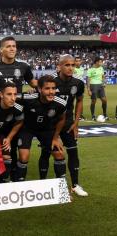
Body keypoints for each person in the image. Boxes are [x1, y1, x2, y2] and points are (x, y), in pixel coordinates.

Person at [0, 36, 37, 183]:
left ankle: (10, 179)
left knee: (12, 146)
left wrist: (51, 83)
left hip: (15, 112)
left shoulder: (24, 66)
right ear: (1, 50)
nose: (12, 48)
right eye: (8, 46)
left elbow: (33, 83)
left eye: (14, 46)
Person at [38, 55, 88, 196]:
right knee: (47, 153)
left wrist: (76, 123)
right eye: (67, 65)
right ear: (59, 66)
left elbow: (79, 101)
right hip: (51, 124)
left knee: (73, 152)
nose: (71, 68)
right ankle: (42, 185)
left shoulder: (78, 83)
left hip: (68, 124)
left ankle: (75, 185)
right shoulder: (50, 81)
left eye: (73, 65)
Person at [16, 75, 67, 181]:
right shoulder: (29, 97)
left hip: (47, 129)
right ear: (39, 89)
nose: (51, 92)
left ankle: (62, 190)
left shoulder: (60, 103)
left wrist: (55, 138)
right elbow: (10, 97)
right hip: (27, 129)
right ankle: (19, 187)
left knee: (60, 154)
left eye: (53, 88)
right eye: (47, 88)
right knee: (24, 157)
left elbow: (62, 119)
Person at [73, 55, 86, 120]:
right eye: (76, 61)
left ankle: (80, 115)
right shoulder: (72, 68)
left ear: (81, 62)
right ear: (74, 62)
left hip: (80, 87)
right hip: (73, 87)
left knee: (80, 101)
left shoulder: (82, 69)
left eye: (79, 61)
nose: (78, 62)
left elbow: (82, 78)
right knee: (70, 101)